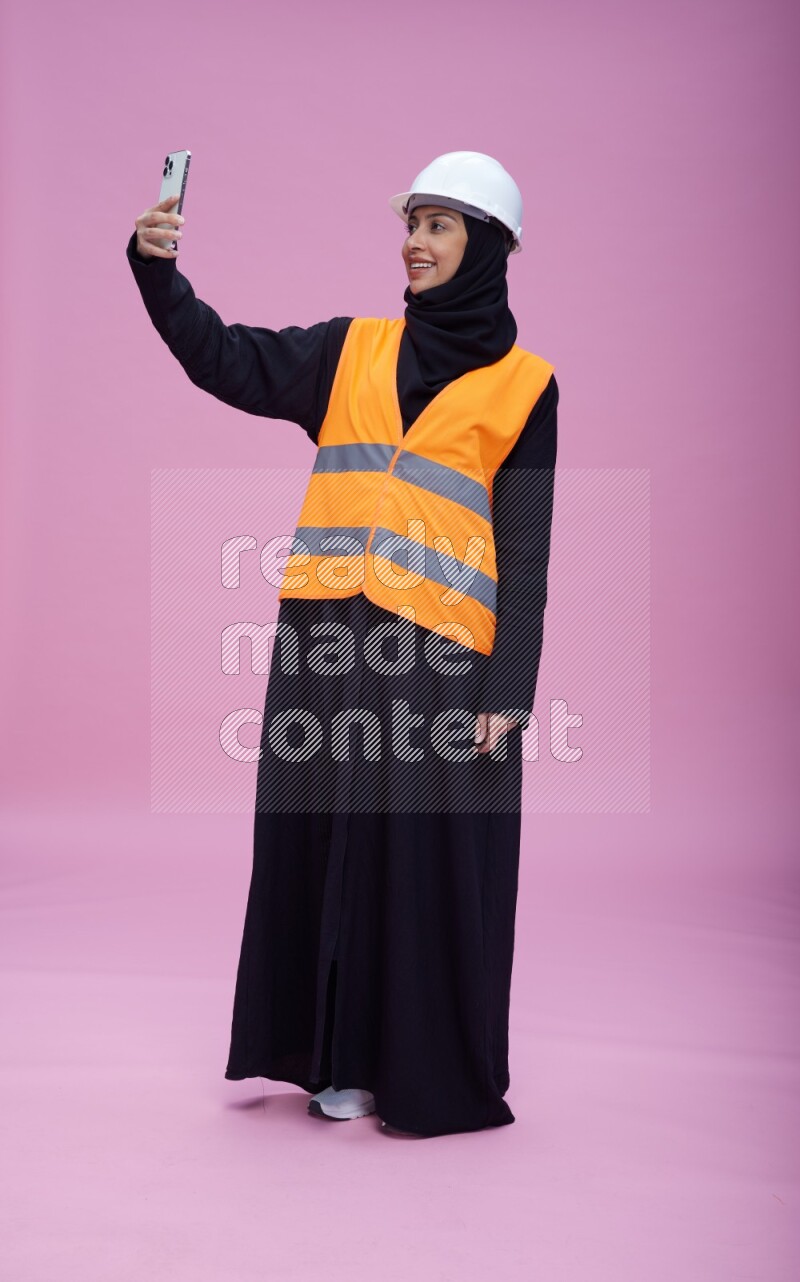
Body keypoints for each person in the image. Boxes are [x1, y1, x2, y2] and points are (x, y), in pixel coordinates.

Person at [127, 150, 559, 1138]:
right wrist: (156, 271)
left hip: (442, 660)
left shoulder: (525, 388)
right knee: (326, 843)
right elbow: (223, 357)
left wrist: (510, 691)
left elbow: (527, 551)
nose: (415, 242)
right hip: (325, 640)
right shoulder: (348, 351)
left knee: (415, 862)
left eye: (439, 225)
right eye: (411, 223)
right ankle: (336, 1058)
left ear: (488, 246)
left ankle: (411, 1067)